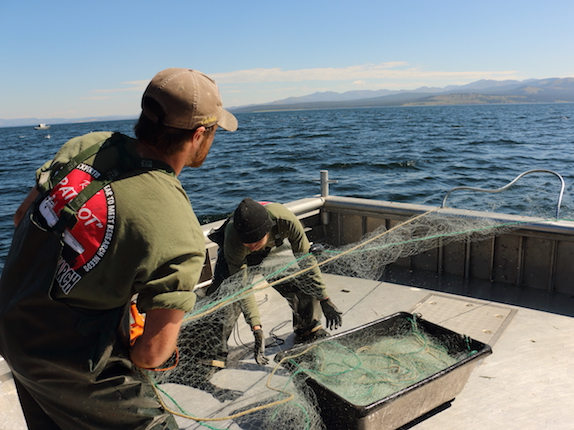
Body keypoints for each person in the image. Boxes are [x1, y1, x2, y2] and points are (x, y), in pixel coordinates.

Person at [0, 68, 237, 430]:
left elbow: (22, 217)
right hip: (70, 363)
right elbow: (150, 355)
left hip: (13, 329)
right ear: (199, 135)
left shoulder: (89, 144)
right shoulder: (179, 230)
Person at [200, 197, 343, 369]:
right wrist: (256, 328)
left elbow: (307, 263)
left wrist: (324, 298)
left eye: (255, 242)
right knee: (226, 297)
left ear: (268, 230)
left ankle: (309, 328)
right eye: (248, 242)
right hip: (235, 255)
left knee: (300, 281)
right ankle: (213, 353)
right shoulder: (234, 238)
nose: (252, 246)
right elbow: (242, 288)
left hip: (272, 248)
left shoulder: (286, 221)